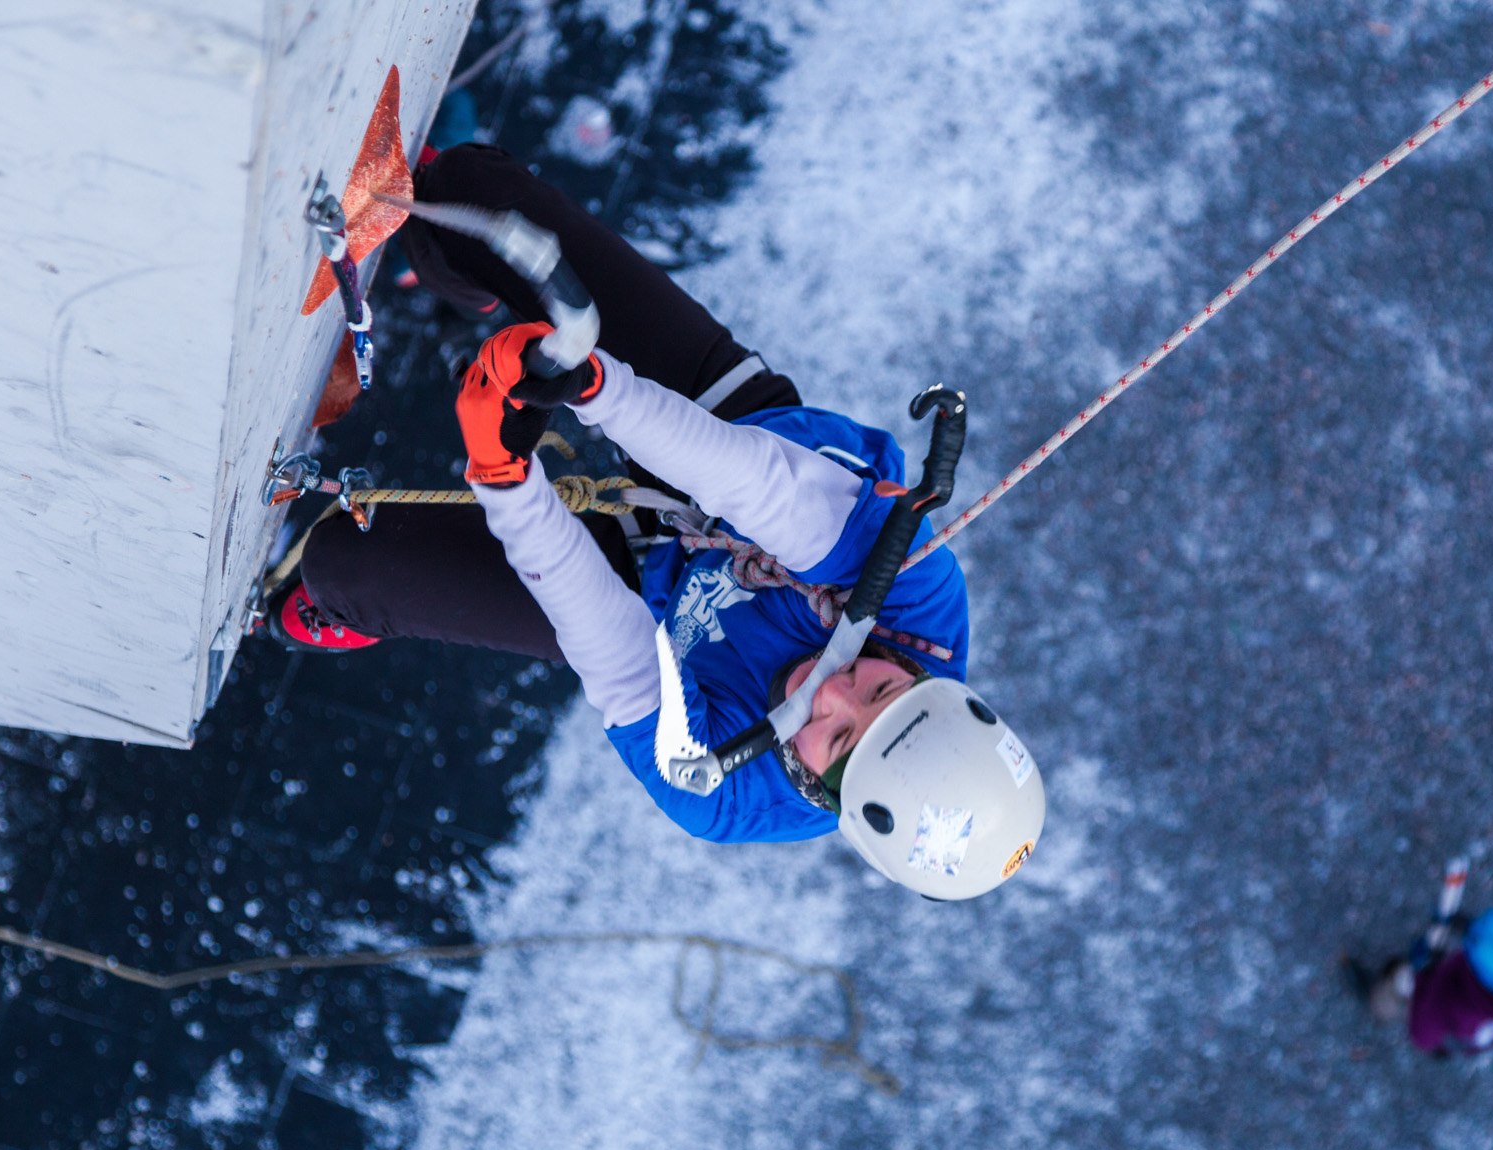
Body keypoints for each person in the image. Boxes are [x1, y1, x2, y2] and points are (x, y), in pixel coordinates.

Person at [273, 144, 1045, 898]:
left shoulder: (724, 792)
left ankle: (346, 604)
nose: (834, 688)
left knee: (342, 563)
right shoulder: (916, 589)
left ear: (823, 792)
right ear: (924, 678)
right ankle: (449, 265)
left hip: (650, 602)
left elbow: (621, 655)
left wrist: (508, 478)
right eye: (882, 692)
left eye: (836, 736)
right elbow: (750, 480)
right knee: (472, 194)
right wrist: (594, 381)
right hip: (735, 427)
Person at [1349, 906, 1493, 1056]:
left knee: (1397, 990)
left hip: (1431, 997)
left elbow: (1422, 1034)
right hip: (1481, 1025)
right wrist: (1470, 927)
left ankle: (1377, 1000)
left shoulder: (1456, 1006)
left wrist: (1426, 972)